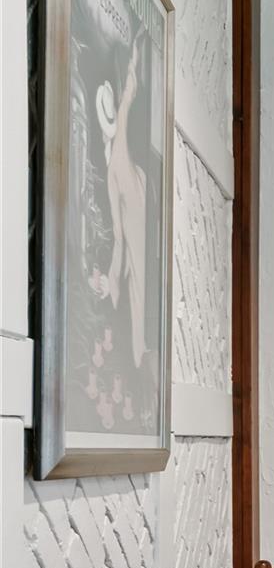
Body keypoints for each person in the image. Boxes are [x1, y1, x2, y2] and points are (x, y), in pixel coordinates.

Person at [94, 42, 150, 371]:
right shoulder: (115, 167)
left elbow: (118, 235)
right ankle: (138, 350)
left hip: (135, 228)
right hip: (134, 233)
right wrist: (113, 277)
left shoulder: (120, 165)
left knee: (138, 291)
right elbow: (117, 234)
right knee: (138, 291)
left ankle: (139, 349)